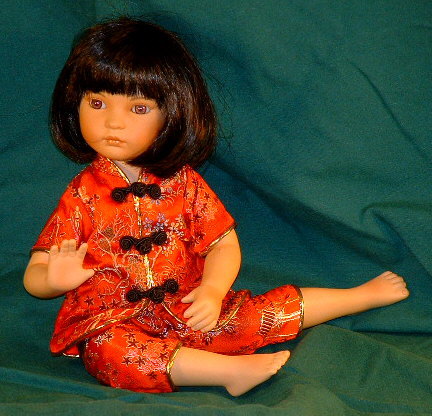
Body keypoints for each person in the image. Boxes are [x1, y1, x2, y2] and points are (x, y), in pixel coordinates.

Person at [23, 17, 409, 396]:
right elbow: (36, 271)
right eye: (97, 103)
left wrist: (212, 290)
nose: (113, 123)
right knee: (109, 353)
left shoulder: (185, 183)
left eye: (138, 108)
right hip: (114, 322)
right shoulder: (82, 195)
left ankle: (360, 295)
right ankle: (227, 372)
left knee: (253, 315)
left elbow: (223, 244)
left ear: (171, 113)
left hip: (189, 308)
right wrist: (53, 280)